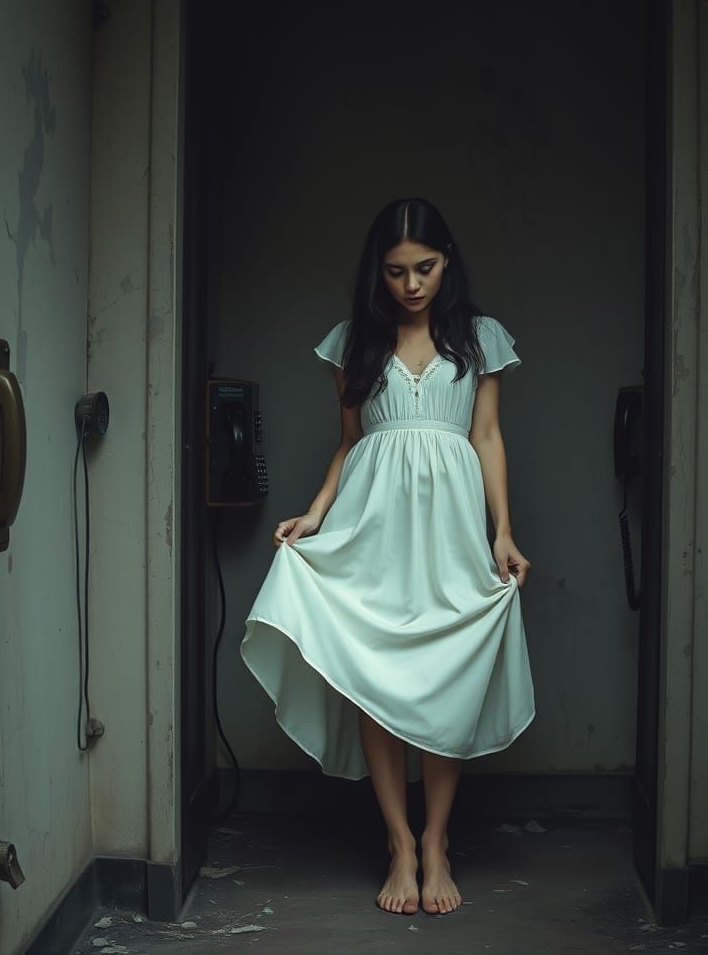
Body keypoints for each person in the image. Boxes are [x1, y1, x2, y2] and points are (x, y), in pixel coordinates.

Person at [240, 197, 535, 916]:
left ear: (447, 263)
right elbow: (350, 444)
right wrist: (313, 516)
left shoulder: (479, 338)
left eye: (425, 268)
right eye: (397, 271)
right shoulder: (354, 343)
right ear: (379, 272)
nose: (412, 285)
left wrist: (503, 530)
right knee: (376, 675)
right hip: (374, 528)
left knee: (446, 679)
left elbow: (487, 437)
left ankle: (438, 841)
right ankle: (400, 843)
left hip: (451, 531)